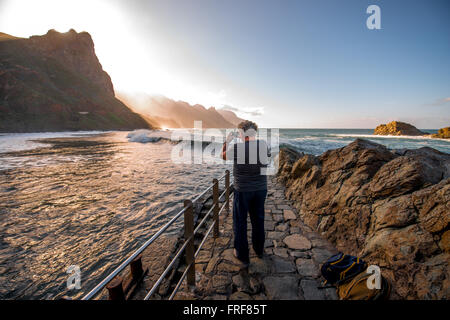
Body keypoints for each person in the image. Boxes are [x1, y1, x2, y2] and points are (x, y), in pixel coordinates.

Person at [221, 120, 271, 267]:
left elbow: (223, 156)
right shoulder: (263, 145)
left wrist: (226, 141)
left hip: (242, 190)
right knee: (258, 220)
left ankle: (242, 255)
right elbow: (266, 160)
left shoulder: (237, 147)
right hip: (261, 188)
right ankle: (259, 249)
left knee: (240, 221)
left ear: (242, 133)